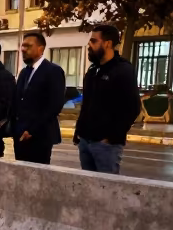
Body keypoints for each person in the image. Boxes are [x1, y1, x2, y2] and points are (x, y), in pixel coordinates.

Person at [74, 24, 141, 175]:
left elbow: (133, 108)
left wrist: (111, 137)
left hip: (106, 146)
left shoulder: (123, 70)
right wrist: (79, 132)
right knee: (89, 188)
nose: (89, 45)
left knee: (107, 191)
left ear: (108, 43)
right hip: (85, 141)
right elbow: (87, 104)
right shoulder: (92, 71)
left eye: (93, 41)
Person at [12, 31, 67, 165]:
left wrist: (32, 130)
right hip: (20, 134)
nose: (23, 49)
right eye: (22, 46)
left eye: (28, 46)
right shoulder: (24, 73)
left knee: (37, 177)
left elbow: (54, 105)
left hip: (40, 135)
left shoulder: (53, 71)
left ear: (40, 49)